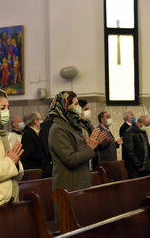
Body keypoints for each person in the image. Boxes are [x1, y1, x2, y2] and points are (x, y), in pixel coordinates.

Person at [48, 91, 106, 223]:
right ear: (65, 106)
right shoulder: (57, 129)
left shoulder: (72, 126)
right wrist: (90, 147)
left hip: (79, 184)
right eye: (75, 104)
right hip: (69, 186)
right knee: (71, 226)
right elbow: (70, 159)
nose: (78, 107)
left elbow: (79, 152)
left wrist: (89, 145)